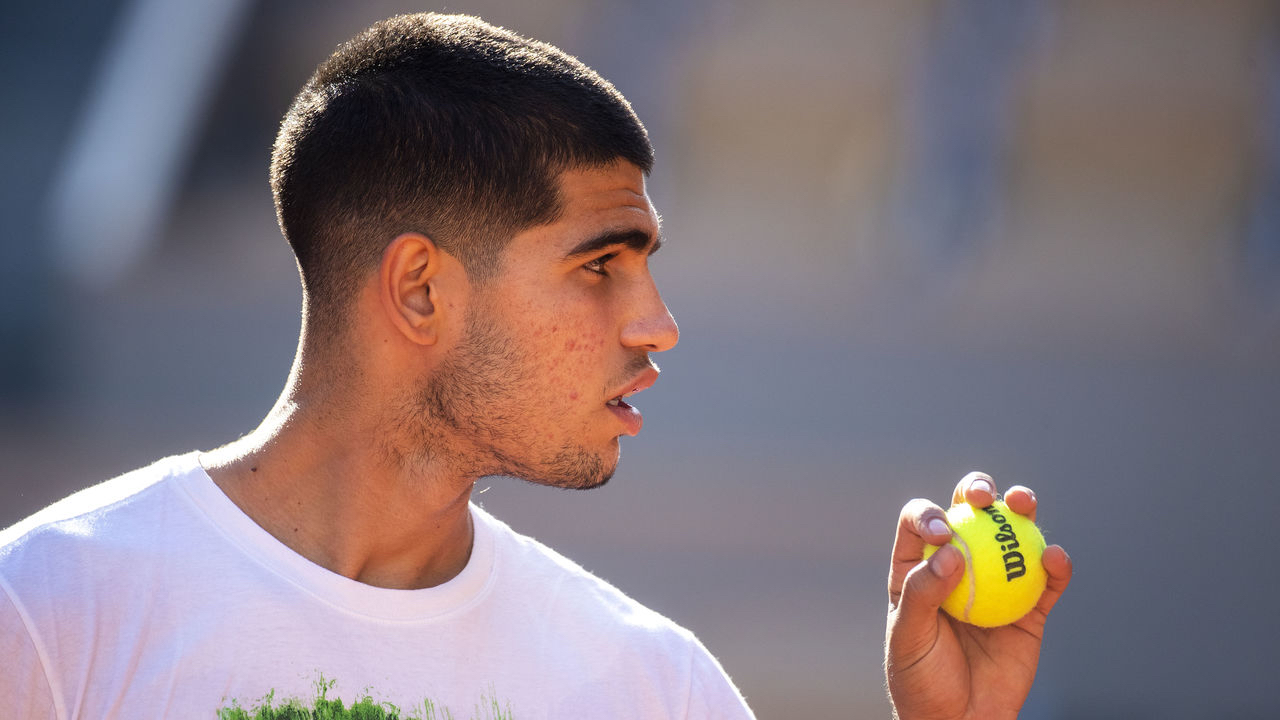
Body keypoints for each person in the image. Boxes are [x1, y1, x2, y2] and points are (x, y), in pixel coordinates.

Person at [0, 12, 1070, 719]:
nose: (658, 326)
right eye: (600, 265)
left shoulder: (655, 686)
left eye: (645, 265)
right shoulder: (48, 609)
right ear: (420, 289)